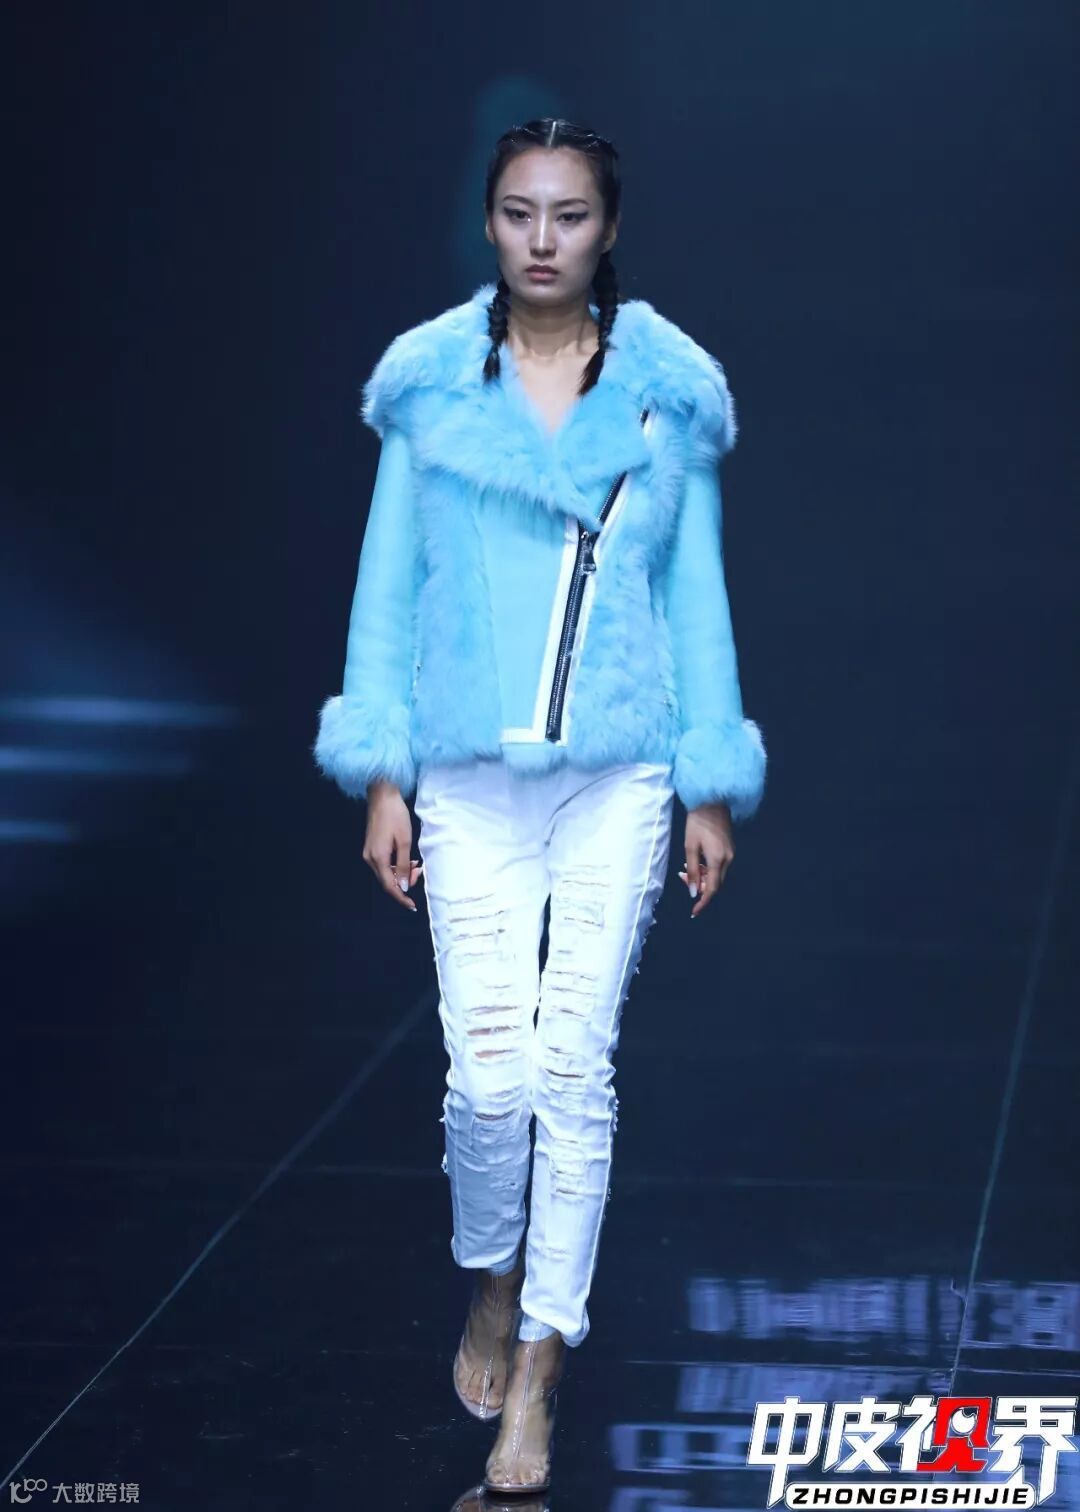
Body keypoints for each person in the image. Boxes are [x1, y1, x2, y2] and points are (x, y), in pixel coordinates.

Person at [312, 117, 767, 1496]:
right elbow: (386, 589)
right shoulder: (432, 392)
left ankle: (543, 1368)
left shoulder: (666, 398)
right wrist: (381, 771)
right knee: (488, 1079)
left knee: (574, 1068)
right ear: (491, 223)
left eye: (570, 215)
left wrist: (708, 787)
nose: (544, 239)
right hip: (463, 771)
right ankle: (494, 1280)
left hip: (622, 770)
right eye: (520, 212)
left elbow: (697, 598)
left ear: (607, 228)